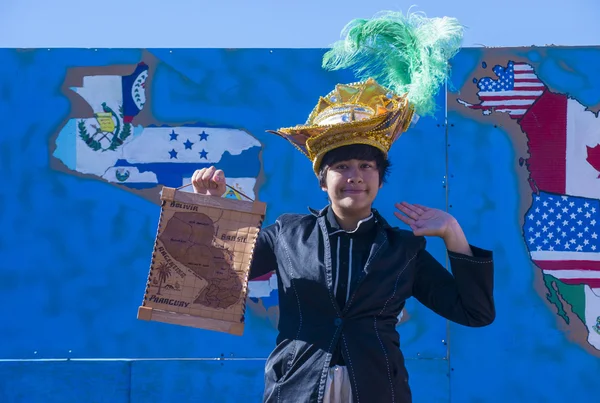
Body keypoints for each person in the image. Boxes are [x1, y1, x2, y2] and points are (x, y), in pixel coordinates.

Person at [191, 11, 495, 403]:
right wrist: (211, 210)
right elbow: (222, 277)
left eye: (367, 166)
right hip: (296, 390)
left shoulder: (404, 249)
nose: (355, 175)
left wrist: (453, 233)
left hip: (377, 389)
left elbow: (475, 313)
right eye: (341, 166)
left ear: (380, 179)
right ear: (323, 179)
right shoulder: (287, 234)